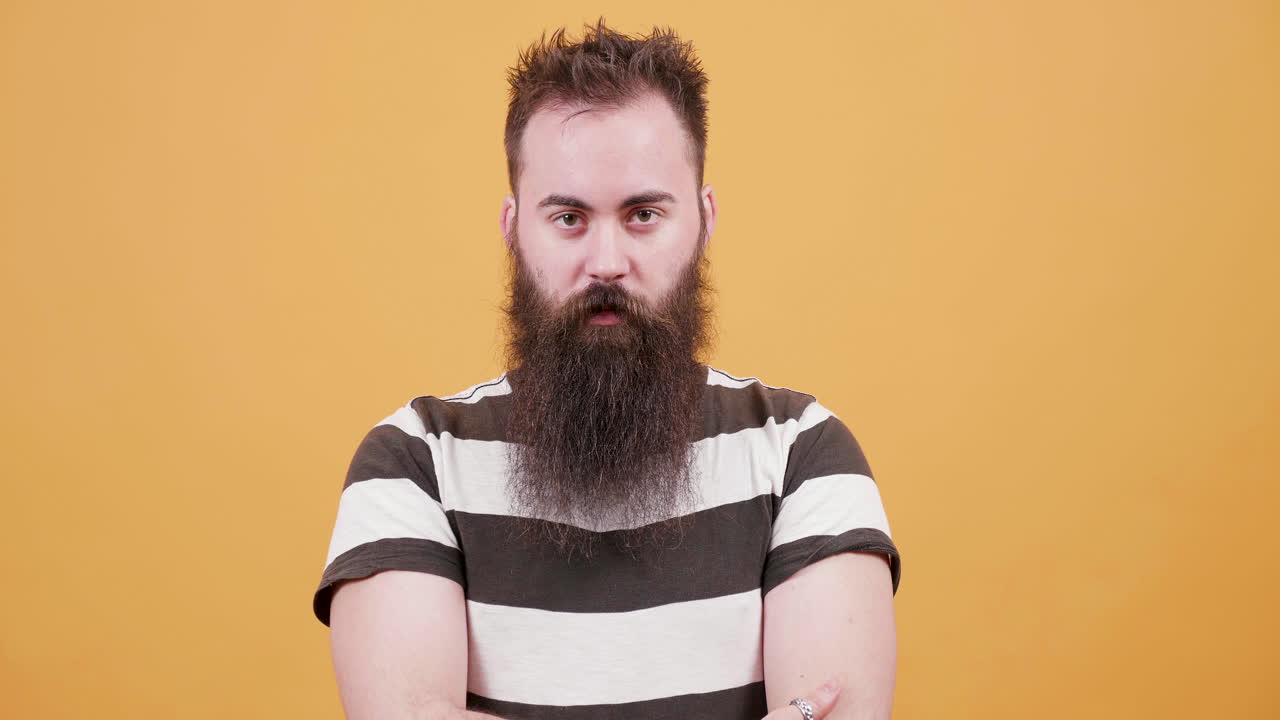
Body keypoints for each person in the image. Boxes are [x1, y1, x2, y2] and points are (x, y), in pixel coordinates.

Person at [313, 19, 902, 720]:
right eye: (568, 218)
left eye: (644, 214)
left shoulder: (802, 452)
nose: (606, 262)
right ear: (512, 228)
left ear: (705, 220)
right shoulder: (413, 464)